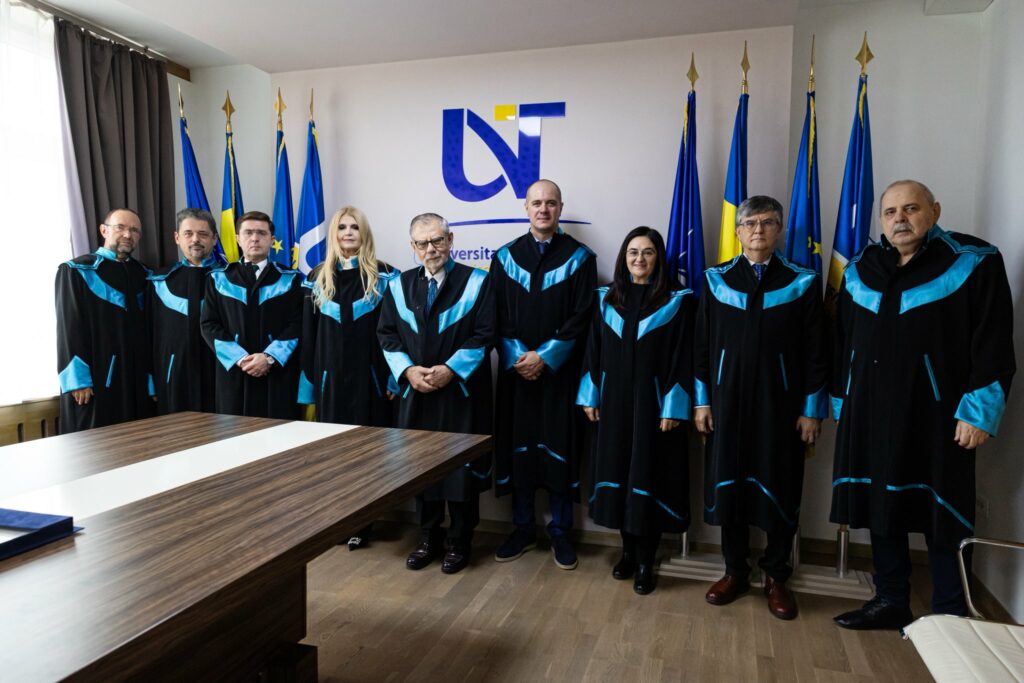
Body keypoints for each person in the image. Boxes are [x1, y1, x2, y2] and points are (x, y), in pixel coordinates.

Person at [831, 180, 1015, 630]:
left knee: (943, 510)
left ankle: (951, 612)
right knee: (881, 505)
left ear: (934, 210)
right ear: (881, 220)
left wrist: (978, 411)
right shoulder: (860, 268)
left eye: (911, 209)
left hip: (940, 414)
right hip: (870, 411)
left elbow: (993, 342)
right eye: (890, 212)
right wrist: (842, 403)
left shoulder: (974, 261)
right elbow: (842, 341)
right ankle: (890, 599)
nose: (900, 219)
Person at [694, 195, 828, 620]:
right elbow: (701, 346)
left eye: (767, 223)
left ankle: (776, 575)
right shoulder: (716, 280)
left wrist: (812, 409)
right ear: (738, 231)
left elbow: (817, 352)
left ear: (780, 230)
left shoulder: (802, 281)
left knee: (780, 487)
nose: (758, 231)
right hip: (727, 404)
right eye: (750, 223)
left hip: (781, 407)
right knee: (729, 488)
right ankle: (735, 571)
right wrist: (702, 401)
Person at [576, 227, 694, 594]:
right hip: (613, 406)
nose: (639, 259)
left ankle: (646, 560)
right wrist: (590, 395)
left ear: (658, 258)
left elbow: (683, 358)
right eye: (632, 252)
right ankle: (627, 552)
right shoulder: (606, 299)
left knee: (648, 478)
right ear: (623, 258)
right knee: (619, 475)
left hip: (654, 407)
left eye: (647, 252)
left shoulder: (677, 301)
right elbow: (592, 350)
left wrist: (674, 405)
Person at [377, 212, 495, 575]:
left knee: (460, 469)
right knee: (420, 468)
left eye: (438, 240)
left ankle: (460, 540)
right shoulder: (399, 286)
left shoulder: (478, 282)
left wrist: (450, 370)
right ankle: (428, 538)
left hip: (460, 392)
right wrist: (408, 371)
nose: (431, 249)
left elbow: (486, 333)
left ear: (450, 240)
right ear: (413, 246)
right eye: (423, 243)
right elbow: (386, 334)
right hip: (416, 392)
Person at [490, 179, 596, 571]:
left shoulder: (580, 258)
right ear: (526, 208)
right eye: (537, 203)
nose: (543, 209)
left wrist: (546, 357)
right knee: (519, 450)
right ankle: (522, 528)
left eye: (551, 203)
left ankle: (560, 531)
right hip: (517, 375)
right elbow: (494, 314)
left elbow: (583, 317)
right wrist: (521, 357)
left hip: (559, 376)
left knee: (558, 450)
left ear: (560, 208)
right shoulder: (505, 257)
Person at [300, 206, 399, 550]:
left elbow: (396, 333)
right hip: (329, 379)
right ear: (334, 234)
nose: (348, 233)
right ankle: (336, 519)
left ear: (364, 232)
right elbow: (308, 335)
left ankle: (363, 523)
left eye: (354, 227)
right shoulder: (317, 276)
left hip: (370, 379)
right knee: (333, 453)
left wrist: (393, 378)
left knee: (368, 452)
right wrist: (309, 387)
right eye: (342, 227)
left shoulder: (386, 276)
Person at [55, 208, 153, 433]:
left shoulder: (145, 275)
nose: (127, 234)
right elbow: (68, 329)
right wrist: (78, 380)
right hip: (96, 380)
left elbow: (151, 332)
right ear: (104, 230)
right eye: (120, 227)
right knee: (96, 445)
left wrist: (151, 379)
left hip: (137, 381)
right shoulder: (77, 271)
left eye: (134, 230)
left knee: (140, 441)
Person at [200, 211, 303, 419]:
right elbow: (209, 324)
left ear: (272, 239)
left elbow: (298, 324)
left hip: (277, 373)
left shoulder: (291, 279)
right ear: (238, 238)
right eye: (248, 233)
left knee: (279, 432)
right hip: (234, 373)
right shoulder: (218, 279)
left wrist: (269, 358)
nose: (255, 238)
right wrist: (240, 359)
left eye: (261, 233)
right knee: (234, 434)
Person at [147, 208, 223, 414]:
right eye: (188, 233)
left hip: (219, 373)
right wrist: (150, 380)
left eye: (203, 234)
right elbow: (147, 333)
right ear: (177, 237)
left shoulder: (230, 279)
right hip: (172, 374)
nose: (195, 239)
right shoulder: (158, 280)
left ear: (214, 239)